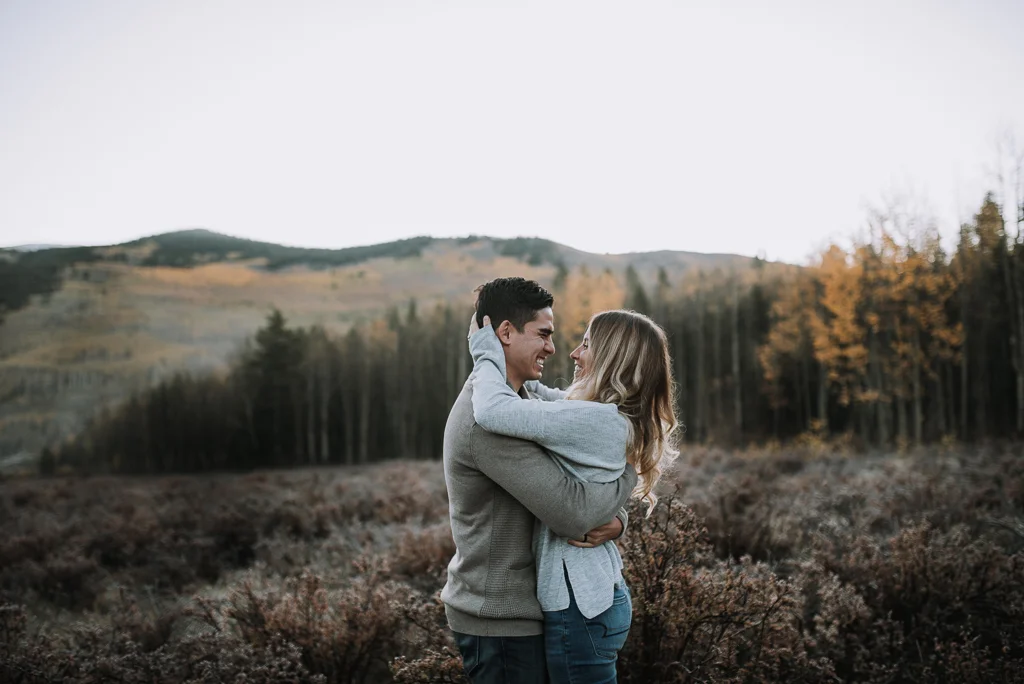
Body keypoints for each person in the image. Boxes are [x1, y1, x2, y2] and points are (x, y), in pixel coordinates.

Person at [466, 307, 680, 683]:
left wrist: (484, 351)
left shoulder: (594, 420)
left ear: (613, 358)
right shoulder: (601, 414)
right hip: (593, 600)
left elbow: (493, 411)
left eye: (586, 344)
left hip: (580, 609)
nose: (574, 354)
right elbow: (538, 394)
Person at [441, 277, 638, 684]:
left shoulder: (522, 402)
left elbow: (584, 474)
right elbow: (573, 513)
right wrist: (629, 479)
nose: (553, 347)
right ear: (505, 333)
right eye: (543, 334)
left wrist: (619, 520)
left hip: (523, 612)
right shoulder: (488, 422)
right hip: (500, 621)